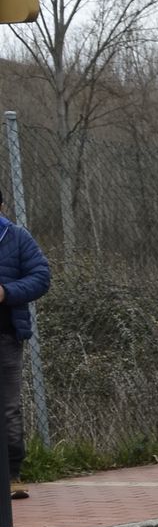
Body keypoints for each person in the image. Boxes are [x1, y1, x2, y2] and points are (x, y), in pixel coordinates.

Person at [0, 189, 51, 498]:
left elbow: (41, 276)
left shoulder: (16, 236)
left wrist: (7, 292)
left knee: (8, 408)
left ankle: (13, 474)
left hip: (6, 337)